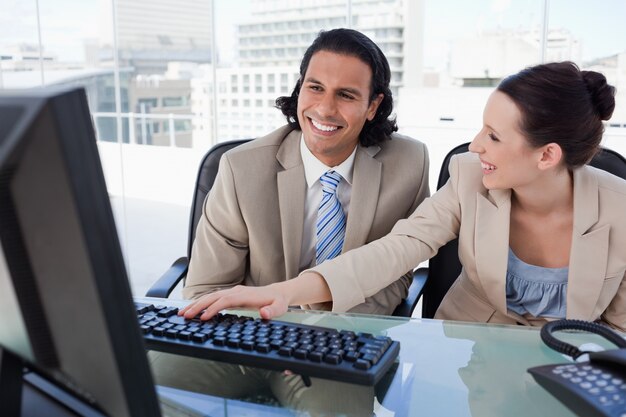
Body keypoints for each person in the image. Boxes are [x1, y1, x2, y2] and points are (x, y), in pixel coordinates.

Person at [181, 61, 626, 333]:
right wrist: (285, 291)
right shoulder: (469, 179)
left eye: (493, 135)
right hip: (471, 350)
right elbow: (395, 250)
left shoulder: (619, 210)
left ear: (547, 155)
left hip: (571, 362)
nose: (474, 146)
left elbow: (619, 329)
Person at [151, 28, 429, 415]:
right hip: (243, 335)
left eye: (346, 95)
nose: (325, 109)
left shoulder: (409, 164)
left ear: (373, 104)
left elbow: (398, 272)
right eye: (315, 88)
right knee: (138, 393)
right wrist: (275, 336)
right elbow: (206, 287)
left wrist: (322, 334)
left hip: (339, 344)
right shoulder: (241, 168)